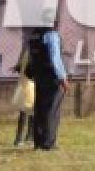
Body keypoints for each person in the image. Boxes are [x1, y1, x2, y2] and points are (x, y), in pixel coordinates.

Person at [26, 15, 69, 151]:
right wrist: (62, 77)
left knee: (39, 108)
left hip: (39, 76)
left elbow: (31, 55)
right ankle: (48, 143)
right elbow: (55, 57)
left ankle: (38, 142)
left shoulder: (34, 35)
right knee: (52, 110)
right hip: (52, 76)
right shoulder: (51, 35)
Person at [11, 40, 36, 147]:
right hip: (29, 86)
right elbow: (27, 68)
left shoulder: (28, 52)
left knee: (29, 112)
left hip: (27, 86)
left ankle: (28, 137)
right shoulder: (32, 53)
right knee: (27, 112)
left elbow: (22, 65)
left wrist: (17, 67)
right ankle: (21, 138)